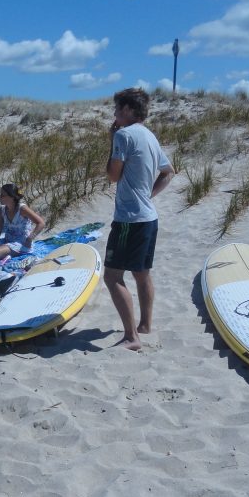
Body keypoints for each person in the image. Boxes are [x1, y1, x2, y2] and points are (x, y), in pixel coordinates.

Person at [104, 87, 175, 351]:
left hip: (129, 220)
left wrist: (112, 140)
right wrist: (148, 196)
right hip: (148, 217)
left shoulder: (124, 135)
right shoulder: (150, 136)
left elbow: (112, 175)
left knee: (112, 277)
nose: (114, 114)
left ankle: (132, 337)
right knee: (142, 274)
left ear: (127, 110)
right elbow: (168, 172)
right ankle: (145, 325)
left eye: (117, 108)